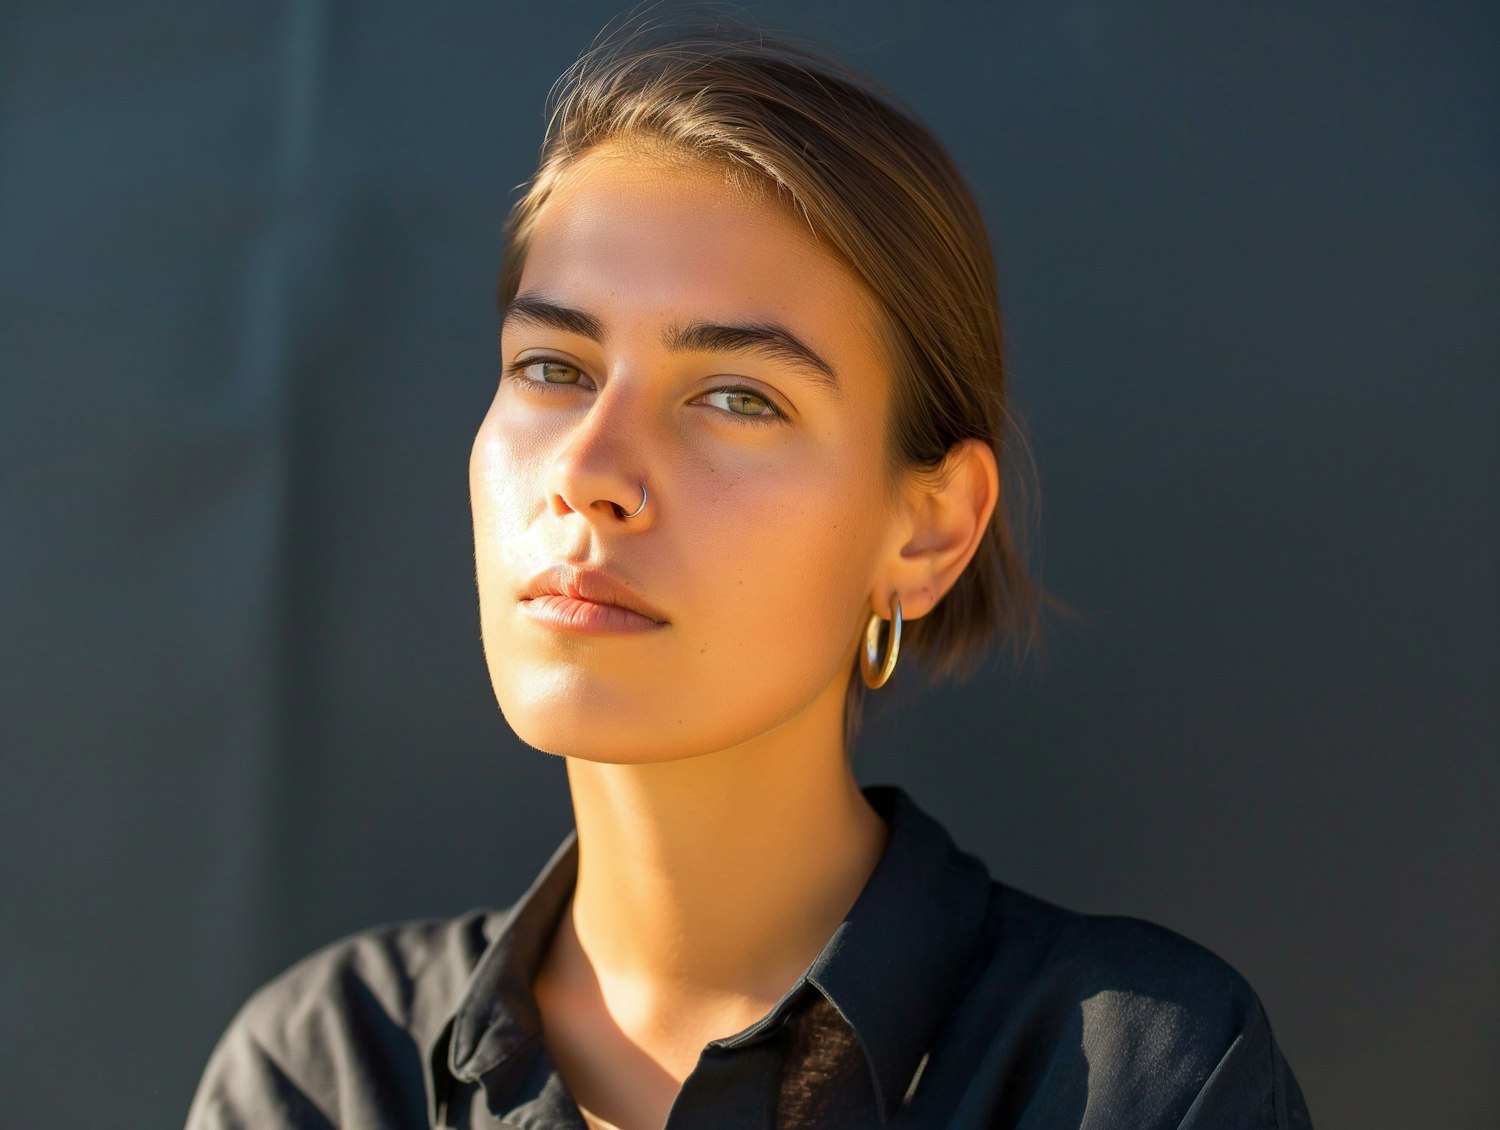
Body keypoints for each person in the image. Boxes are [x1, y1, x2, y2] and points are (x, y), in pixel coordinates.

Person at [187, 14, 1312, 1130]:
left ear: (926, 531)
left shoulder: (1136, 1080)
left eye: (737, 397)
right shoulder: (326, 1076)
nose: (587, 470)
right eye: (551, 366)